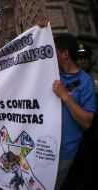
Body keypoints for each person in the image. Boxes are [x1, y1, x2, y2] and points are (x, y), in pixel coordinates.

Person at [51, 34, 96, 190]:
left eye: (55, 51)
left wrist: (64, 95)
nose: (52, 55)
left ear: (64, 54)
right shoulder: (54, 74)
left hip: (66, 154)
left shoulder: (85, 81)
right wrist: (40, 30)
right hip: (47, 149)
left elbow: (87, 121)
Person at [62, 43, 98, 189]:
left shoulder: (92, 78)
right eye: (80, 57)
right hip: (77, 136)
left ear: (91, 59)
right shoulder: (69, 78)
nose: (83, 61)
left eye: (85, 57)